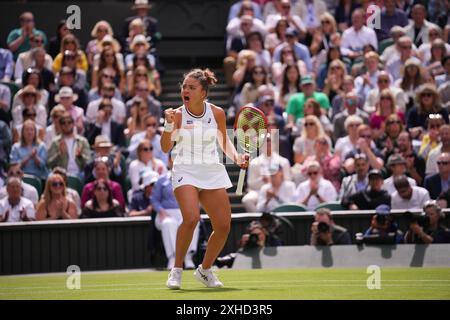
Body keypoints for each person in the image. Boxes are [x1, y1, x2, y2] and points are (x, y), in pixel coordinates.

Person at [161, 68, 249, 289]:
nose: (186, 90)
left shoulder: (217, 113)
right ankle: (177, 269)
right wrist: (169, 125)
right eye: (184, 87)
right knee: (191, 219)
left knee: (223, 226)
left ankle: (205, 270)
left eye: (191, 87)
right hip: (185, 170)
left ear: (203, 92)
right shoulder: (177, 115)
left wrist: (237, 157)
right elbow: (164, 147)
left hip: (211, 170)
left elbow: (224, 142)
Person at [151, 161, 200, 270]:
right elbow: (154, 200)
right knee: (169, 223)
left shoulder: (190, 179)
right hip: (166, 214)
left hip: (183, 212)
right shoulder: (161, 180)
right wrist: (161, 211)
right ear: (169, 161)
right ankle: (173, 258)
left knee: (193, 222)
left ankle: (188, 258)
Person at [47, 112, 91, 179]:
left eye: (69, 122)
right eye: (63, 123)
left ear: (73, 124)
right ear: (60, 125)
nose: (66, 125)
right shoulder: (55, 142)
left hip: (79, 173)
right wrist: (59, 154)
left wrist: (80, 156)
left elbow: (89, 162)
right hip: (61, 174)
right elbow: (49, 164)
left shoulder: (82, 141)